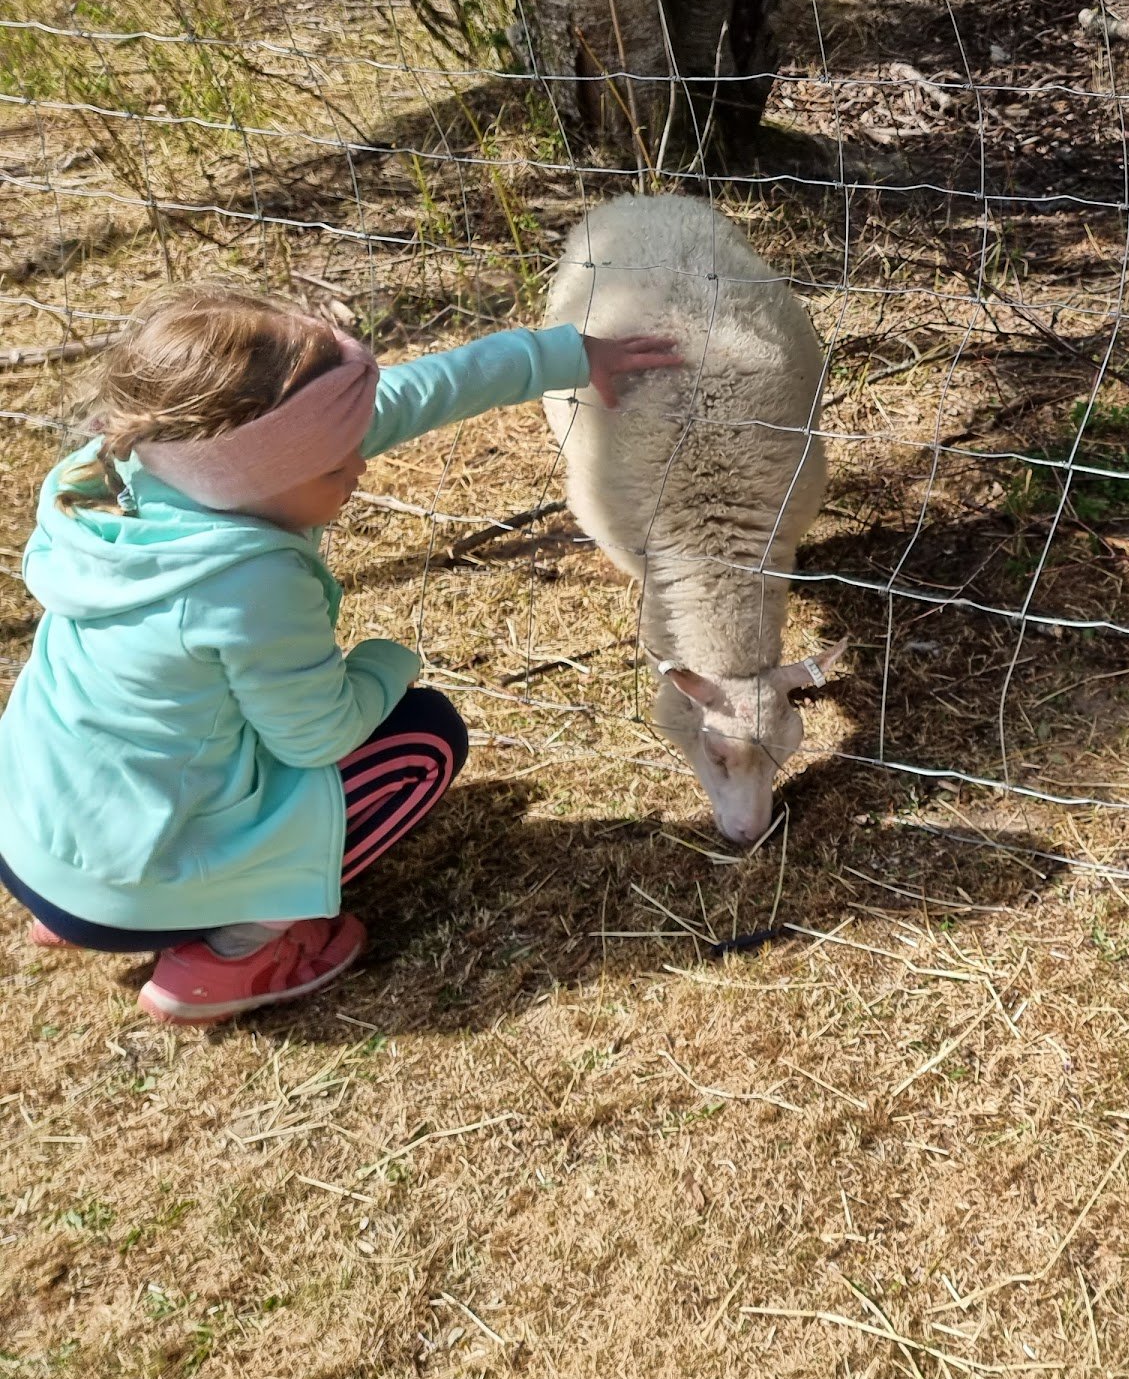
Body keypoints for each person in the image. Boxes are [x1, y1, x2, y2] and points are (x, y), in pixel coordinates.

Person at [0, 287, 679, 1024]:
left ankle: (77, 909)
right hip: (134, 883)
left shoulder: (132, 475)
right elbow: (317, 735)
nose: (359, 469)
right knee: (423, 738)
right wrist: (387, 665)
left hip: (34, 839)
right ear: (262, 474)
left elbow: (413, 396)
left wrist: (565, 356)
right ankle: (234, 952)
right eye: (337, 467)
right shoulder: (246, 583)